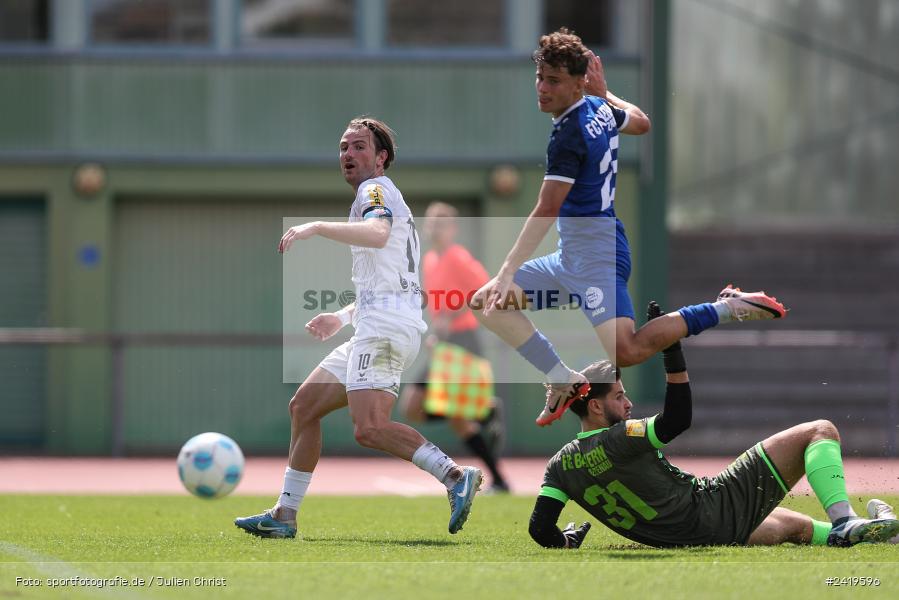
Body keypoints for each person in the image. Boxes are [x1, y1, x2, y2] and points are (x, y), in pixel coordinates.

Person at [471, 28, 786, 427]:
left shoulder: (569, 131)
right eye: (540, 77)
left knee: (629, 352)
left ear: (577, 82)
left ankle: (726, 308)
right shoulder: (597, 108)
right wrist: (606, 94)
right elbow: (640, 122)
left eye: (554, 80)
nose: (543, 88)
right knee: (486, 303)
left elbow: (546, 207)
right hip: (573, 254)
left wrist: (507, 271)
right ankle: (561, 378)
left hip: (597, 254)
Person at [235, 117, 481, 539]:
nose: (349, 154)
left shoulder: (376, 190)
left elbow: (377, 232)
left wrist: (315, 227)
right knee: (304, 406)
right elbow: (401, 287)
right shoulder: (384, 196)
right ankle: (285, 514)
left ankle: (455, 476)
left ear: (381, 158)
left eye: (360, 147)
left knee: (369, 428)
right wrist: (342, 317)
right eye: (344, 147)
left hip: (384, 330)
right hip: (377, 324)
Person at [527, 302, 899, 549]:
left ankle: (865, 538)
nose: (628, 403)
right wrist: (672, 349)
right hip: (712, 510)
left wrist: (565, 542)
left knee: (793, 525)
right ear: (594, 405)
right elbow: (677, 420)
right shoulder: (618, 438)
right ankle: (845, 521)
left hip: (688, 536)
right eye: (619, 397)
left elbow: (539, 529)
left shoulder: (559, 467)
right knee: (821, 430)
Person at [399, 201, 510, 493]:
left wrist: (454, 315)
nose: (435, 226)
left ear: (453, 228)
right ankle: (498, 471)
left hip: (464, 340)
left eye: (442, 221)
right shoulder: (431, 260)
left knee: (424, 407)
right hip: (445, 342)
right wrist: (436, 329)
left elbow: (485, 291)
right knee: (436, 413)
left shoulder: (458, 257)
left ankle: (487, 421)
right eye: (432, 221)